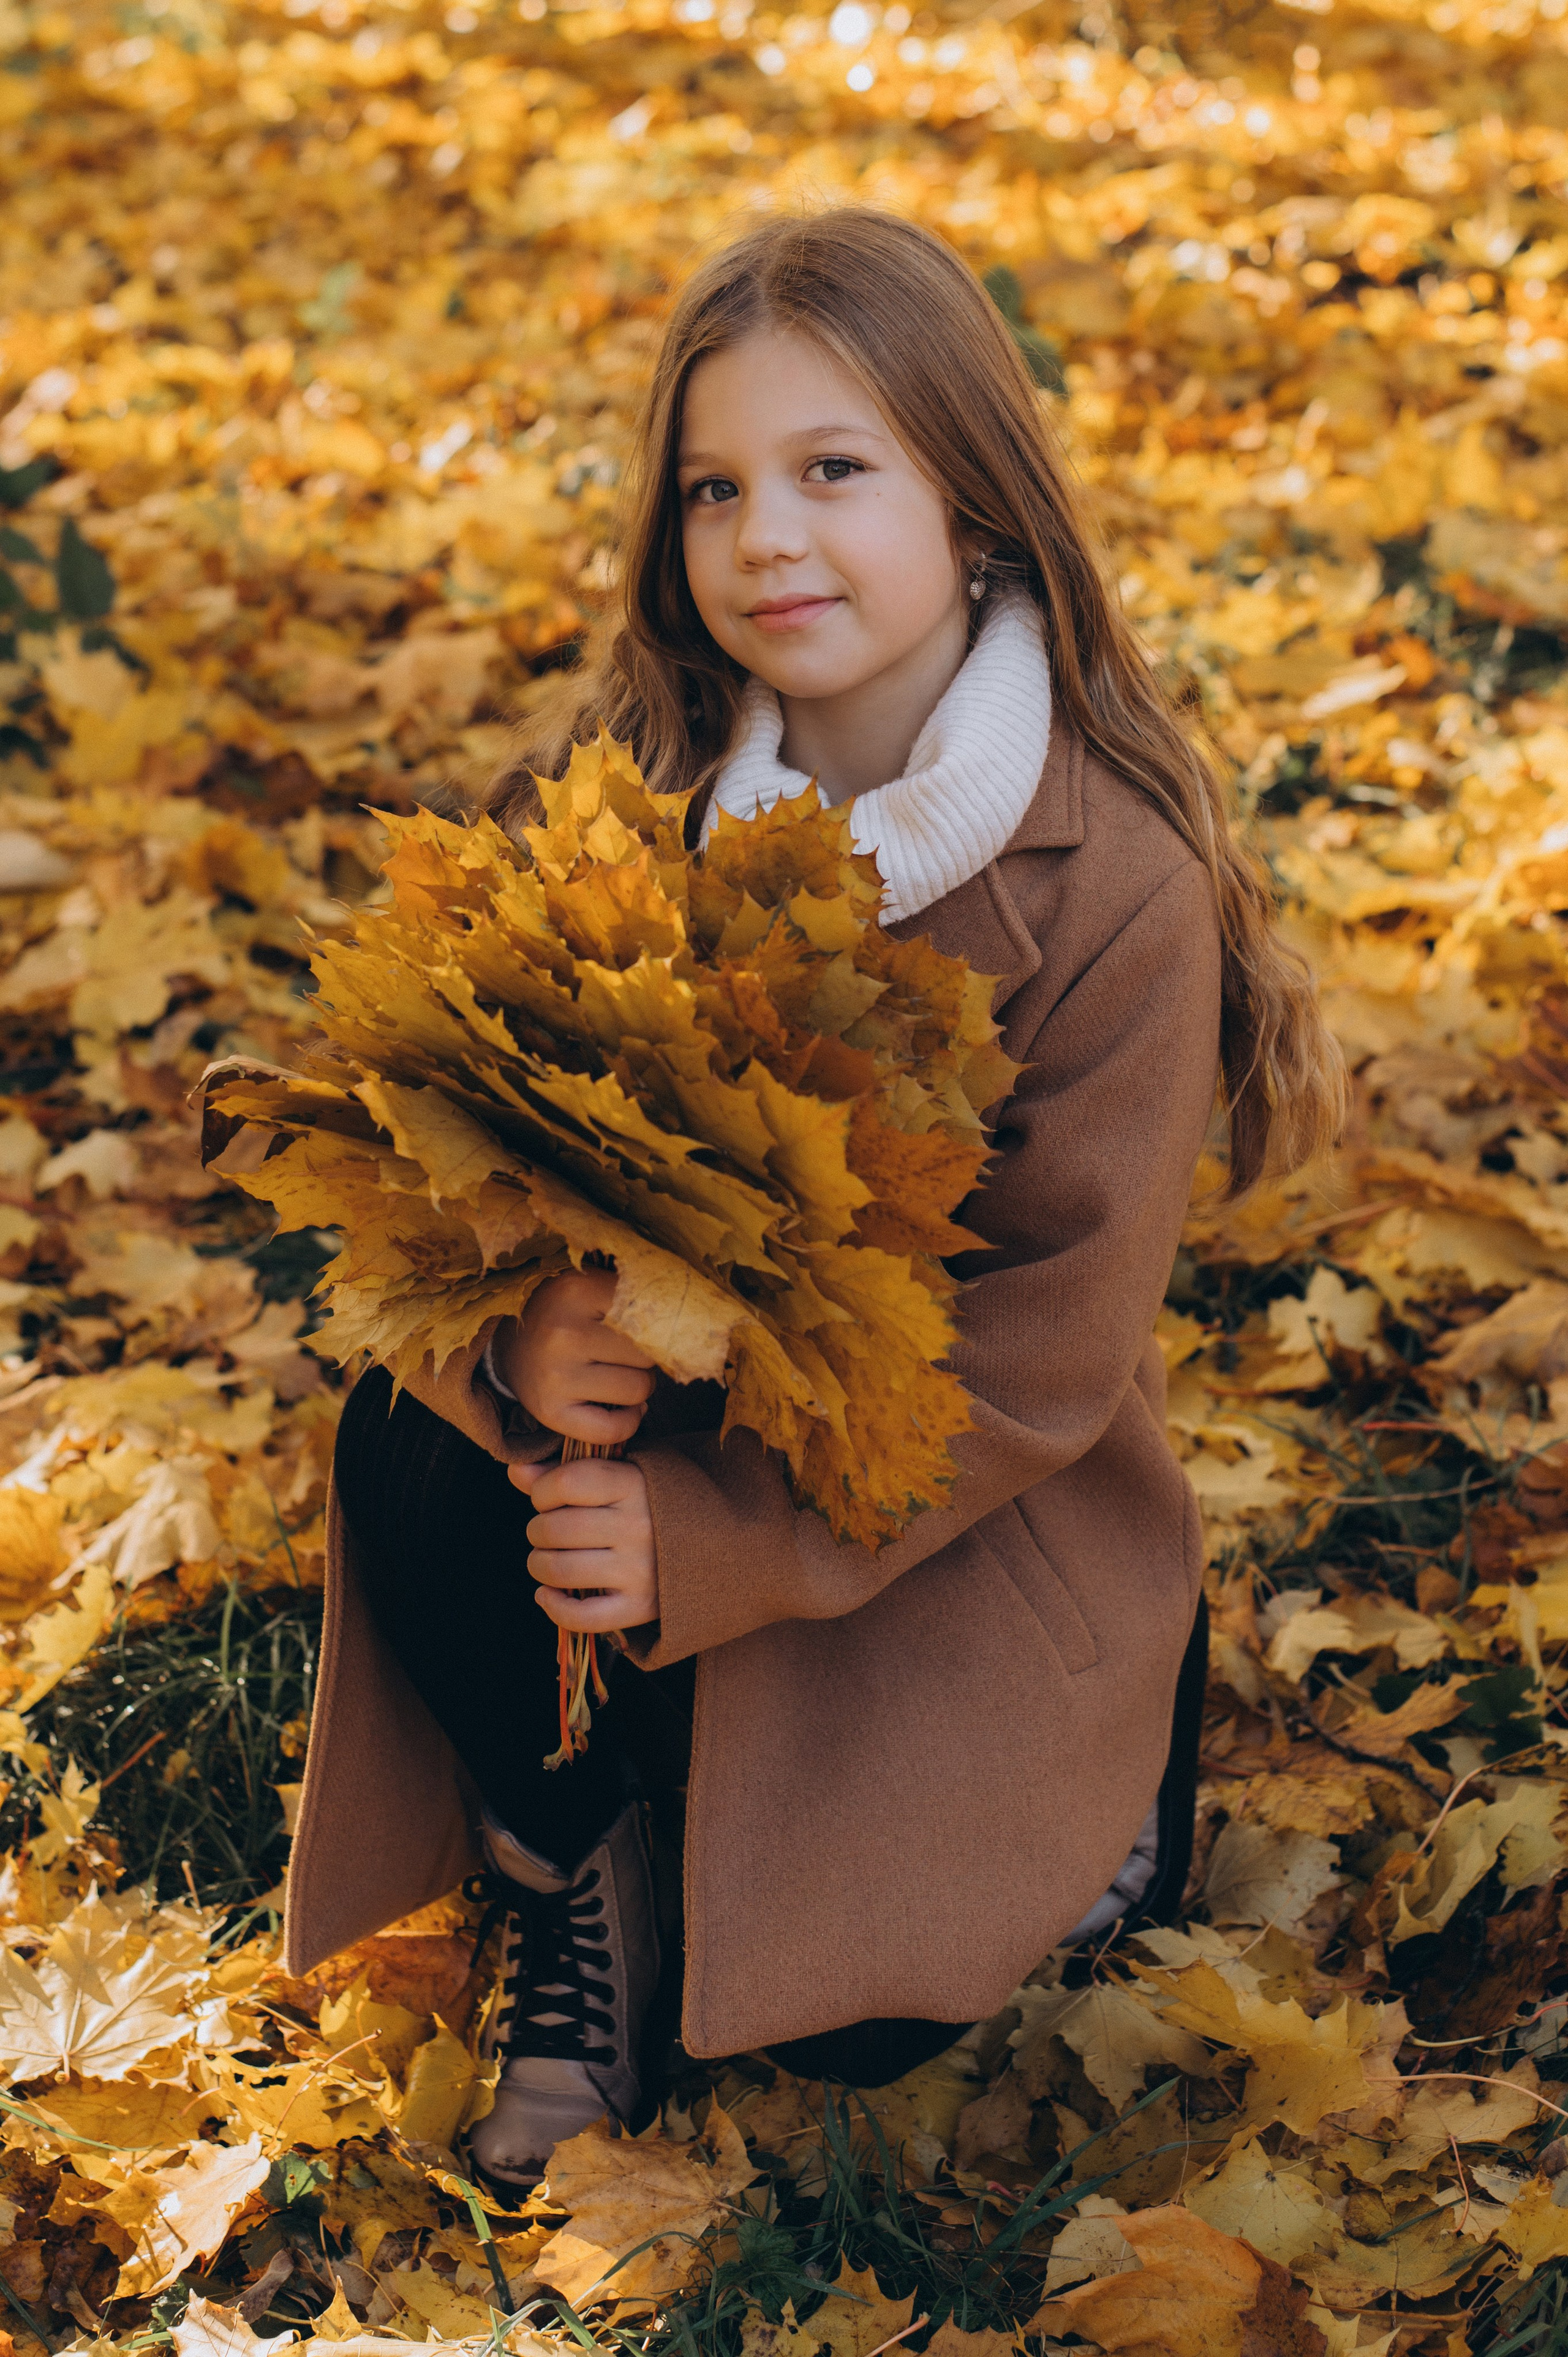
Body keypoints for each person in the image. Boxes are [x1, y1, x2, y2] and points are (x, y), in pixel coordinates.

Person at [292, 208, 1345, 2189]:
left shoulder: (1112, 887)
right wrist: (528, 1333)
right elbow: (427, 1182)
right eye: (716, 488)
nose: (767, 534)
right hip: (630, 1463)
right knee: (413, 1457)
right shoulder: (621, 810)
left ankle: (1089, 1779)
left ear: (977, 501)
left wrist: (715, 1545)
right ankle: (578, 1861)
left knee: (866, 2026)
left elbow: (1039, 1364)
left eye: (831, 471)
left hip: (936, 1519)